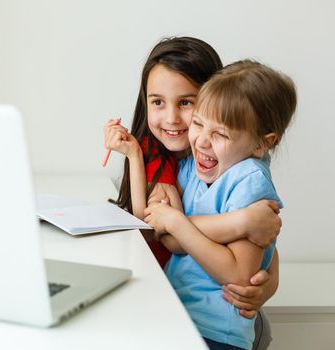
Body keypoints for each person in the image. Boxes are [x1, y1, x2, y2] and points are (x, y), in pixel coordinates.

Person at [103, 37, 280, 349]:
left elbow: (263, 244)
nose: (172, 118)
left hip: (215, 320)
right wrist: (241, 222)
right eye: (158, 102)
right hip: (171, 307)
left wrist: (270, 282)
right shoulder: (164, 162)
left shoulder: (235, 163)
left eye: (186, 103)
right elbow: (158, 230)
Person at [144, 60, 296, 349]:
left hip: (216, 330)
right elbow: (170, 239)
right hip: (180, 314)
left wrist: (175, 221)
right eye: (199, 123)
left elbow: (240, 275)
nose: (201, 140)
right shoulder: (192, 166)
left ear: (261, 143)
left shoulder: (249, 179)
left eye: (220, 134)